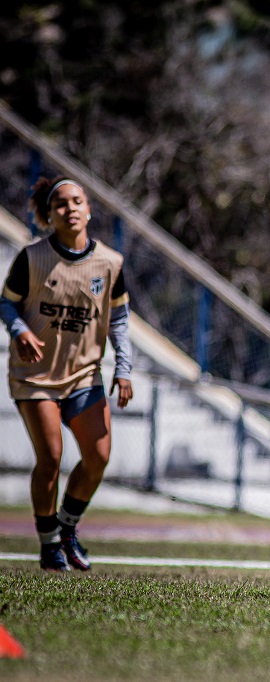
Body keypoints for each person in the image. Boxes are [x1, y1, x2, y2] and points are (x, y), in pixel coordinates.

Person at [1, 176, 134, 572]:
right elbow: (6, 305)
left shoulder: (109, 263)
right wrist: (20, 330)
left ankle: (68, 529)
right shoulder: (33, 258)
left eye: (78, 201)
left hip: (83, 376)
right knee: (52, 457)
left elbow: (120, 320)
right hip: (36, 377)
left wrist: (124, 369)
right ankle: (48, 544)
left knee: (98, 456)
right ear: (49, 215)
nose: (71, 208)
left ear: (89, 210)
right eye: (61, 203)